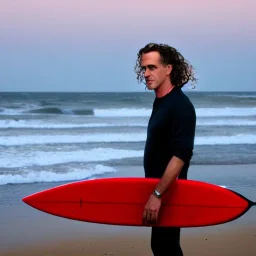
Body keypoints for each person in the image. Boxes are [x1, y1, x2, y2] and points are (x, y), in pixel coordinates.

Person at [134, 43, 197, 256]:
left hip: (169, 193)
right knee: (162, 246)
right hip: (161, 191)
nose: (146, 73)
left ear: (168, 68)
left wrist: (157, 194)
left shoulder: (180, 106)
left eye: (152, 67)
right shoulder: (161, 102)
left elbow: (181, 155)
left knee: (166, 248)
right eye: (144, 68)